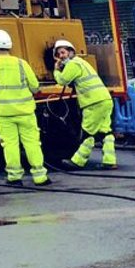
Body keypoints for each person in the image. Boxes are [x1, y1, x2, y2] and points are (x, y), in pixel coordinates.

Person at [0, 29, 50, 186]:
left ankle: (14, 177)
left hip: (3, 114)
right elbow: (34, 86)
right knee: (32, 143)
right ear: (10, 45)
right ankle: (40, 176)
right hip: (25, 112)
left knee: (10, 145)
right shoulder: (21, 63)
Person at [52, 39, 116, 170]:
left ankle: (78, 161)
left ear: (71, 52)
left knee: (87, 132)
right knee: (106, 132)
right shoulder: (82, 62)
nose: (61, 56)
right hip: (105, 100)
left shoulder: (73, 64)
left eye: (63, 52)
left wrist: (56, 70)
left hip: (93, 103)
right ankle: (110, 161)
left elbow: (62, 81)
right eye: (58, 54)